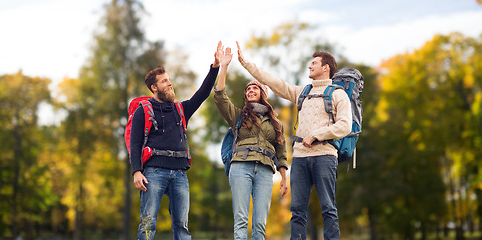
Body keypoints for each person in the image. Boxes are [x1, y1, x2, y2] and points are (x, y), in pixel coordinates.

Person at [236, 42, 352, 240]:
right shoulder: (302, 92)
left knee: (328, 207)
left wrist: (317, 135)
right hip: (299, 158)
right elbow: (274, 82)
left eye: (314, 63)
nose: (310, 66)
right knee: (297, 209)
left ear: (326, 68)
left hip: (325, 156)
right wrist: (246, 64)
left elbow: (345, 126)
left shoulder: (338, 94)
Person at [130, 42, 223, 240]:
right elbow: (135, 143)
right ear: (154, 87)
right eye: (164, 81)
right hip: (153, 172)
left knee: (182, 225)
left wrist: (215, 67)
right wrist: (136, 171)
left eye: (169, 80)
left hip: (180, 174)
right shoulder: (143, 111)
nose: (169, 83)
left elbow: (203, 93)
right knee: (148, 221)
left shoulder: (181, 109)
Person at [213, 46, 289, 240]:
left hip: (265, 170)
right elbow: (220, 97)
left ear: (263, 93)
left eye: (254, 88)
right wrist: (224, 67)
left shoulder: (276, 123)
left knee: (260, 224)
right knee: (240, 220)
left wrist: (284, 178)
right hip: (240, 167)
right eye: (248, 89)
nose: (250, 91)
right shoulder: (239, 116)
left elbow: (281, 151)